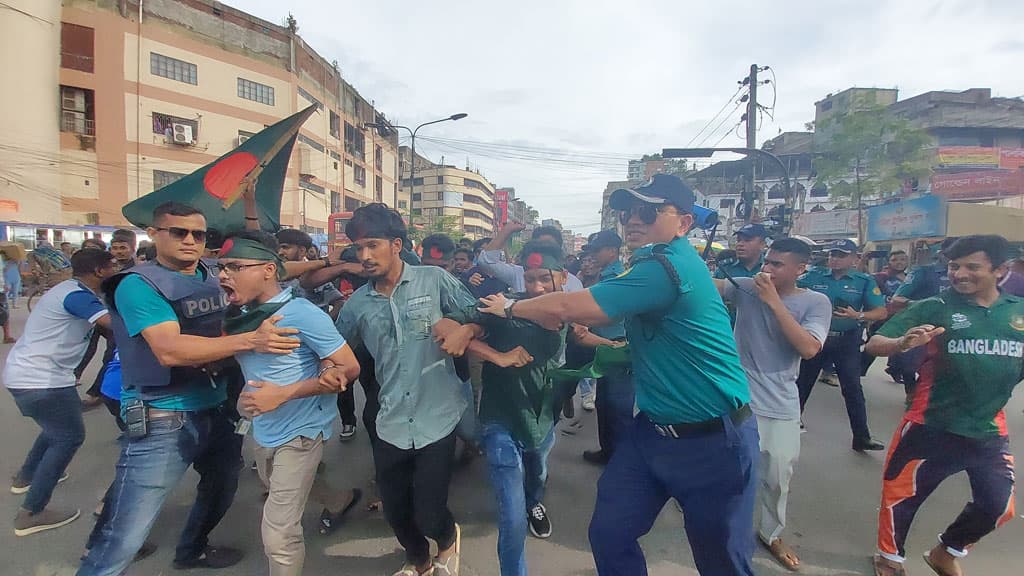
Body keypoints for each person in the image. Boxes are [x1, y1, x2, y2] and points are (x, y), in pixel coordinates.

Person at [479, 174, 759, 576]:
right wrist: (608, 353)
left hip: (713, 441)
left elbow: (567, 309)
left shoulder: (667, 265)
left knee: (722, 562)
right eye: (627, 211)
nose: (633, 219)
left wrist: (508, 307)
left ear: (683, 223)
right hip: (652, 434)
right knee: (610, 533)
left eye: (648, 211)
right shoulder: (650, 264)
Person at [78, 202, 301, 576]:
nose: (190, 241)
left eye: (199, 234)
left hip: (217, 405)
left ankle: (192, 549)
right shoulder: (137, 284)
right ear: (154, 234)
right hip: (163, 413)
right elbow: (169, 349)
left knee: (221, 487)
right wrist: (251, 341)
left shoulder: (213, 272)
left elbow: (270, 270)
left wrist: (338, 265)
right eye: (178, 232)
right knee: (126, 532)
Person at [334, 203, 480, 576]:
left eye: (372, 245)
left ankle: (447, 540)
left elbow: (476, 314)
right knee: (397, 512)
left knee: (430, 512)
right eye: (358, 249)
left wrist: (465, 328)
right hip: (389, 417)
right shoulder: (357, 304)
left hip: (437, 414)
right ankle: (418, 560)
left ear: (396, 244)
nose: (364, 256)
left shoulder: (434, 279)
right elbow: (337, 349)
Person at [865, 235, 1022, 576]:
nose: (960, 274)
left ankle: (946, 551)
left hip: (987, 431)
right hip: (930, 425)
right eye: (954, 266)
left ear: (1001, 270)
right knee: (901, 498)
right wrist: (901, 343)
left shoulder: (1018, 314)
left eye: (971, 267)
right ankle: (889, 559)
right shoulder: (934, 306)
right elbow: (875, 344)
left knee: (998, 507)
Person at [218, 231, 360, 576]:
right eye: (221, 268)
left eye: (235, 267)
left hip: (301, 432)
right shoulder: (241, 314)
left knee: (278, 532)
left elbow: (349, 367)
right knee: (273, 481)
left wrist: (284, 393)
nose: (223, 275)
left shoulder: (302, 313)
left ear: (268, 270)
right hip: (263, 427)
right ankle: (339, 500)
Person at [712, 238, 832, 571]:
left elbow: (809, 348)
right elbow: (709, 285)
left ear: (800, 269)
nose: (768, 268)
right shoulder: (747, 287)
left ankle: (771, 533)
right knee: (727, 468)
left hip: (780, 403)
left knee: (778, 476)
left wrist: (773, 302)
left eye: (778, 264)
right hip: (738, 396)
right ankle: (721, 525)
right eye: (767, 261)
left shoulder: (816, 302)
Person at [454, 241, 568, 575]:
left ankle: (536, 502)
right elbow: (451, 329)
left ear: (562, 277)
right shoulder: (501, 305)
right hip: (500, 416)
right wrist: (489, 349)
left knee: (537, 472)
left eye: (544, 279)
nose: (536, 287)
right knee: (511, 514)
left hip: (543, 414)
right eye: (530, 279)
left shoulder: (570, 308)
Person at [4, 249, 116, 535]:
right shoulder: (78, 296)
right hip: (44, 380)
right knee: (69, 436)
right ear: (99, 271)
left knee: (53, 429)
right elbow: (112, 326)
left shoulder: (69, 289)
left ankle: (26, 477)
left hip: (25, 375)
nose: (115, 268)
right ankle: (31, 512)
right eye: (112, 265)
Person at [795, 239, 888, 451]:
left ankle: (861, 436)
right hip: (816, 338)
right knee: (802, 383)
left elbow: (881, 311)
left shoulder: (864, 281)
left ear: (855, 259)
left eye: (841, 255)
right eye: (832, 254)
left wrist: (859, 315)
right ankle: (790, 422)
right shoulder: (813, 276)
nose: (834, 259)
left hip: (847, 339)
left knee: (853, 387)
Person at [579, 230, 632, 466]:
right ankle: (608, 451)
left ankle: (621, 460)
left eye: (597, 250)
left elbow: (611, 313)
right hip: (603, 346)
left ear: (611, 250)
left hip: (617, 345)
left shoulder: (619, 276)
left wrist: (584, 321)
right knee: (604, 402)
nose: (594, 255)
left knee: (618, 405)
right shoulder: (605, 274)